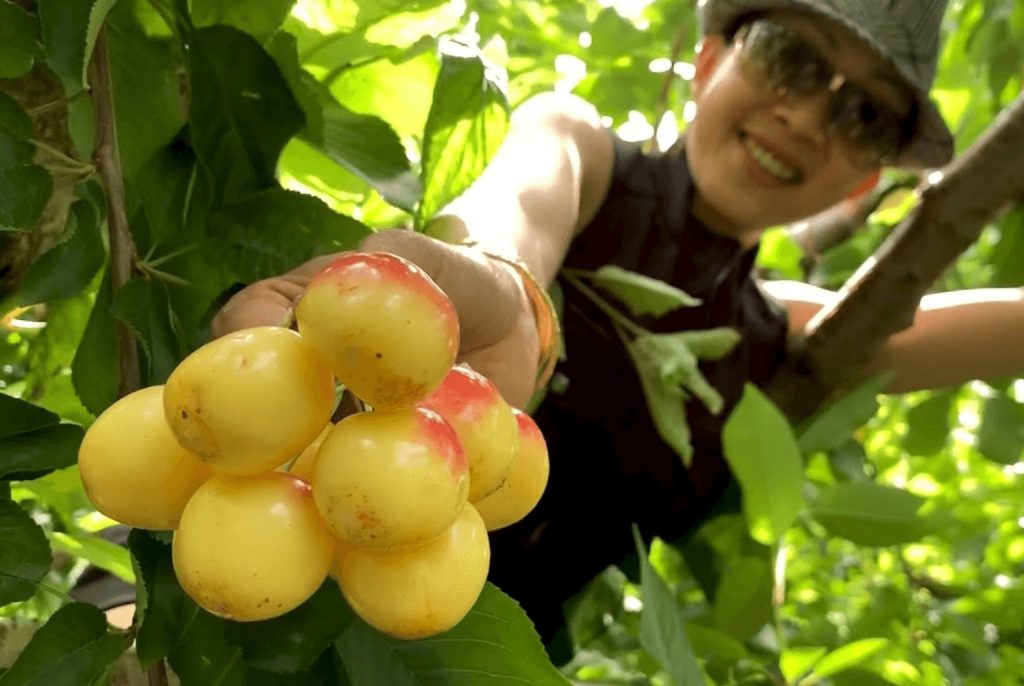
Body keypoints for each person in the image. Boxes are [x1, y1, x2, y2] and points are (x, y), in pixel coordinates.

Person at [211, 0, 1024, 652]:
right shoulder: (584, 154)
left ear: (865, 182)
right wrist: (503, 288)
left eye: (865, 116)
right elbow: (521, 205)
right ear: (710, 61)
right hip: (246, 575)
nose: (809, 116)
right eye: (789, 57)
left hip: (471, 665)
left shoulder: (780, 333)